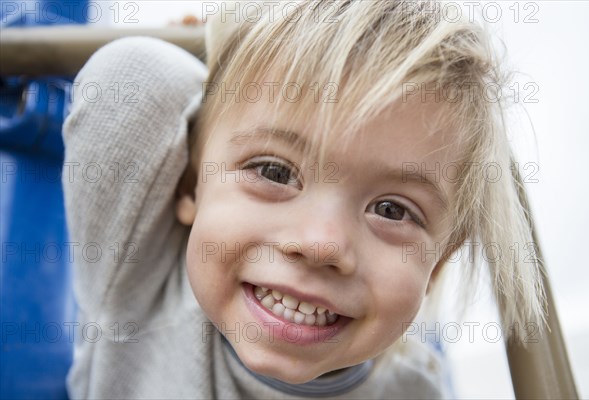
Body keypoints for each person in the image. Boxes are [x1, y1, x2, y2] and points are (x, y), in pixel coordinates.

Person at [62, 1, 546, 398]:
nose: (321, 244)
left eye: (392, 210)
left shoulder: (413, 391)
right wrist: (226, 56)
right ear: (191, 183)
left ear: (438, 263)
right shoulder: (136, 282)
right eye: (274, 171)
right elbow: (132, 79)